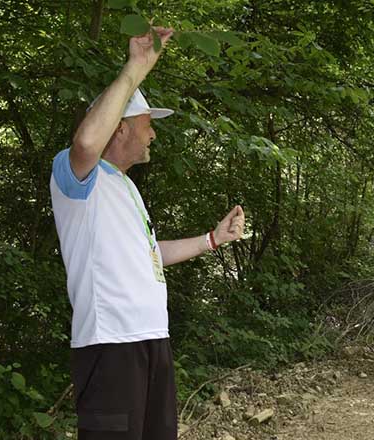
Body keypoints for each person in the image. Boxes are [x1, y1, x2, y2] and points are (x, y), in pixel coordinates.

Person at [50, 28, 246, 439]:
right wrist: (135, 69)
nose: (153, 133)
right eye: (145, 123)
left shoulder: (125, 185)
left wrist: (213, 239)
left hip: (152, 338)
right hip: (111, 345)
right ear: (118, 129)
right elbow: (87, 141)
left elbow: (149, 253)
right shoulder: (76, 177)